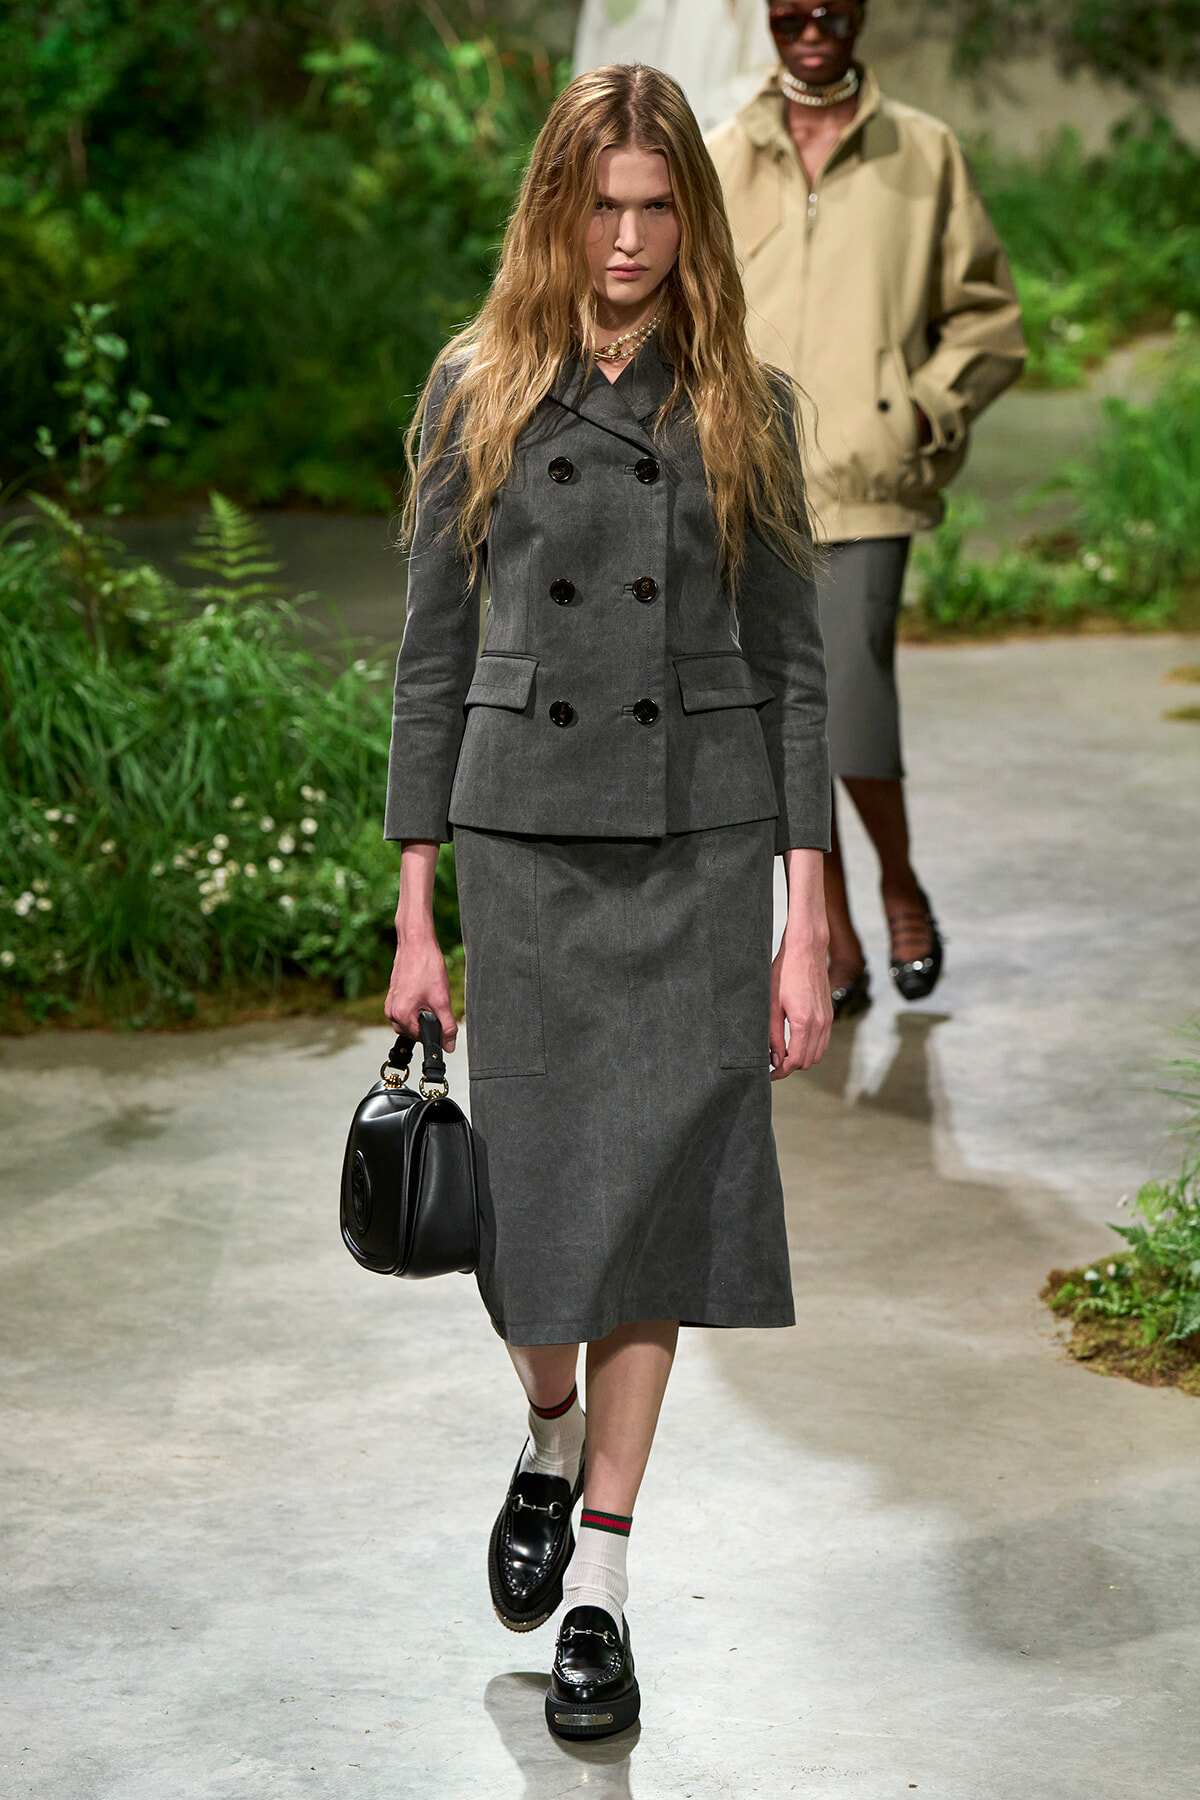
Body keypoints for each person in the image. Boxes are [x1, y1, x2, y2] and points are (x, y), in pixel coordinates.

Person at [383, 63, 832, 1742]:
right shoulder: (475, 390)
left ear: (687, 220)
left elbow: (793, 677)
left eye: (658, 210)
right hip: (528, 849)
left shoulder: (747, 405)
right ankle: (550, 1429)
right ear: (556, 212)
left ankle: (604, 1586)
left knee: (652, 1208)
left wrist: (805, 912)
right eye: (603, 207)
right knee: (541, 1226)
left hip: (698, 842)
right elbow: (428, 661)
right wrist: (416, 910)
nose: (630, 241)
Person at [708, 1, 1026, 1016]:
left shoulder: (923, 154)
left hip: (867, 478)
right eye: (792, 10)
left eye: (832, 8)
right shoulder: (723, 155)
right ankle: (826, 930)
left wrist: (922, 410)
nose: (812, 26)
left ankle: (898, 882)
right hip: (744, 481)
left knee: (849, 705)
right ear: (768, 18)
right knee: (772, 721)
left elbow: (987, 317)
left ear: (861, 15)